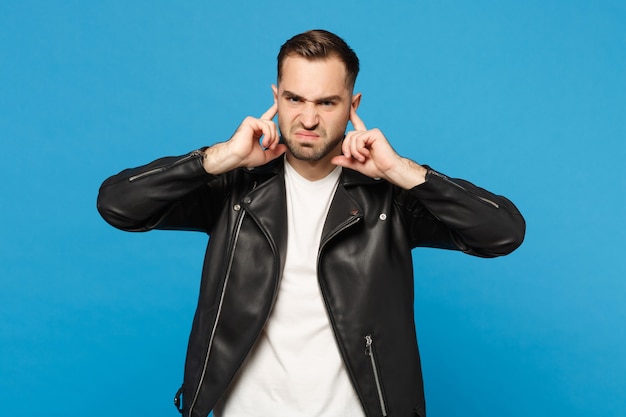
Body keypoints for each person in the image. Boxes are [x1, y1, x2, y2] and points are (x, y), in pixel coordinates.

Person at [97, 29, 525, 417]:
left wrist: (403, 172)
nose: (307, 119)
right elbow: (119, 205)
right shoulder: (234, 190)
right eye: (295, 99)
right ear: (276, 96)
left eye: (326, 102)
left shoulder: (389, 197)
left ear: (352, 105)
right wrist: (219, 158)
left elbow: (503, 232)